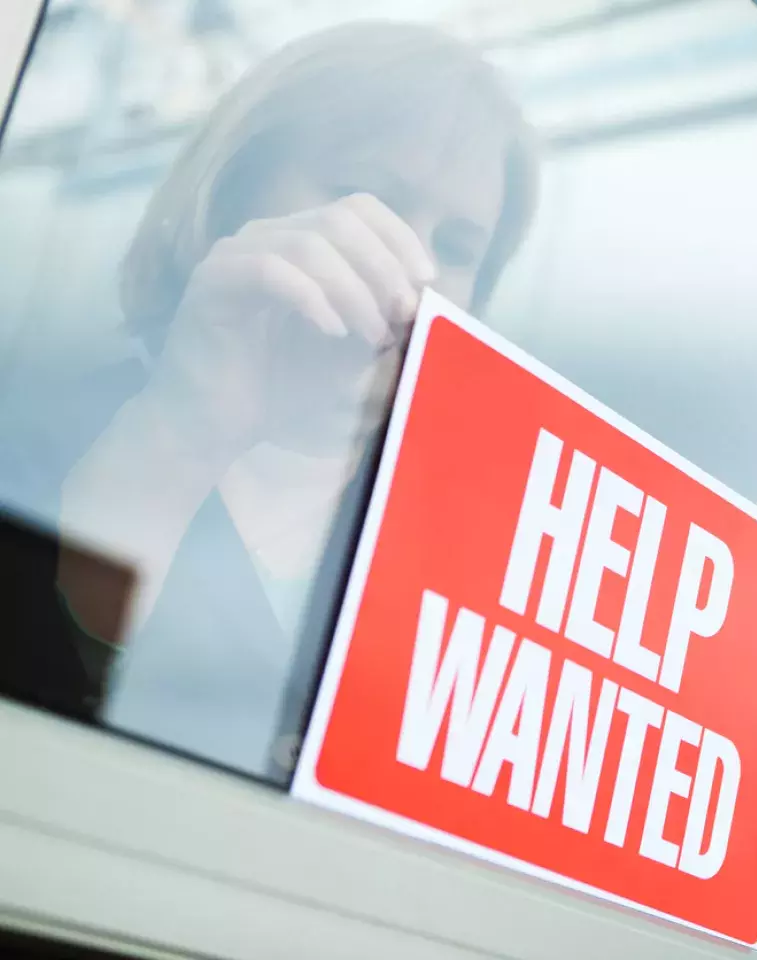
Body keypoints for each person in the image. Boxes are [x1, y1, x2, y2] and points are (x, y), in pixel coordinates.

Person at [47, 21, 539, 778]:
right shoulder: (37, 433)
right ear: (233, 194)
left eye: (461, 248)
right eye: (368, 196)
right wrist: (181, 434)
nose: (416, 265)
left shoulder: (471, 537)